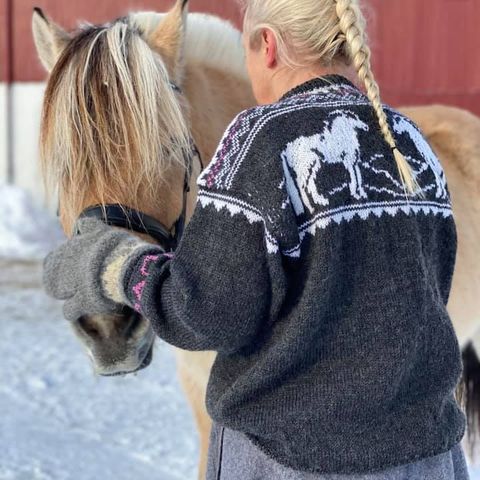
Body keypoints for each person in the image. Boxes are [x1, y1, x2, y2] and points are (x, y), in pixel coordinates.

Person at [43, 0, 469, 478]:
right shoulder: (408, 139)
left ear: (267, 46)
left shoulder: (258, 140)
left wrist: (115, 265)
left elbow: (206, 315)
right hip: (429, 456)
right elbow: (433, 287)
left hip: (291, 460)